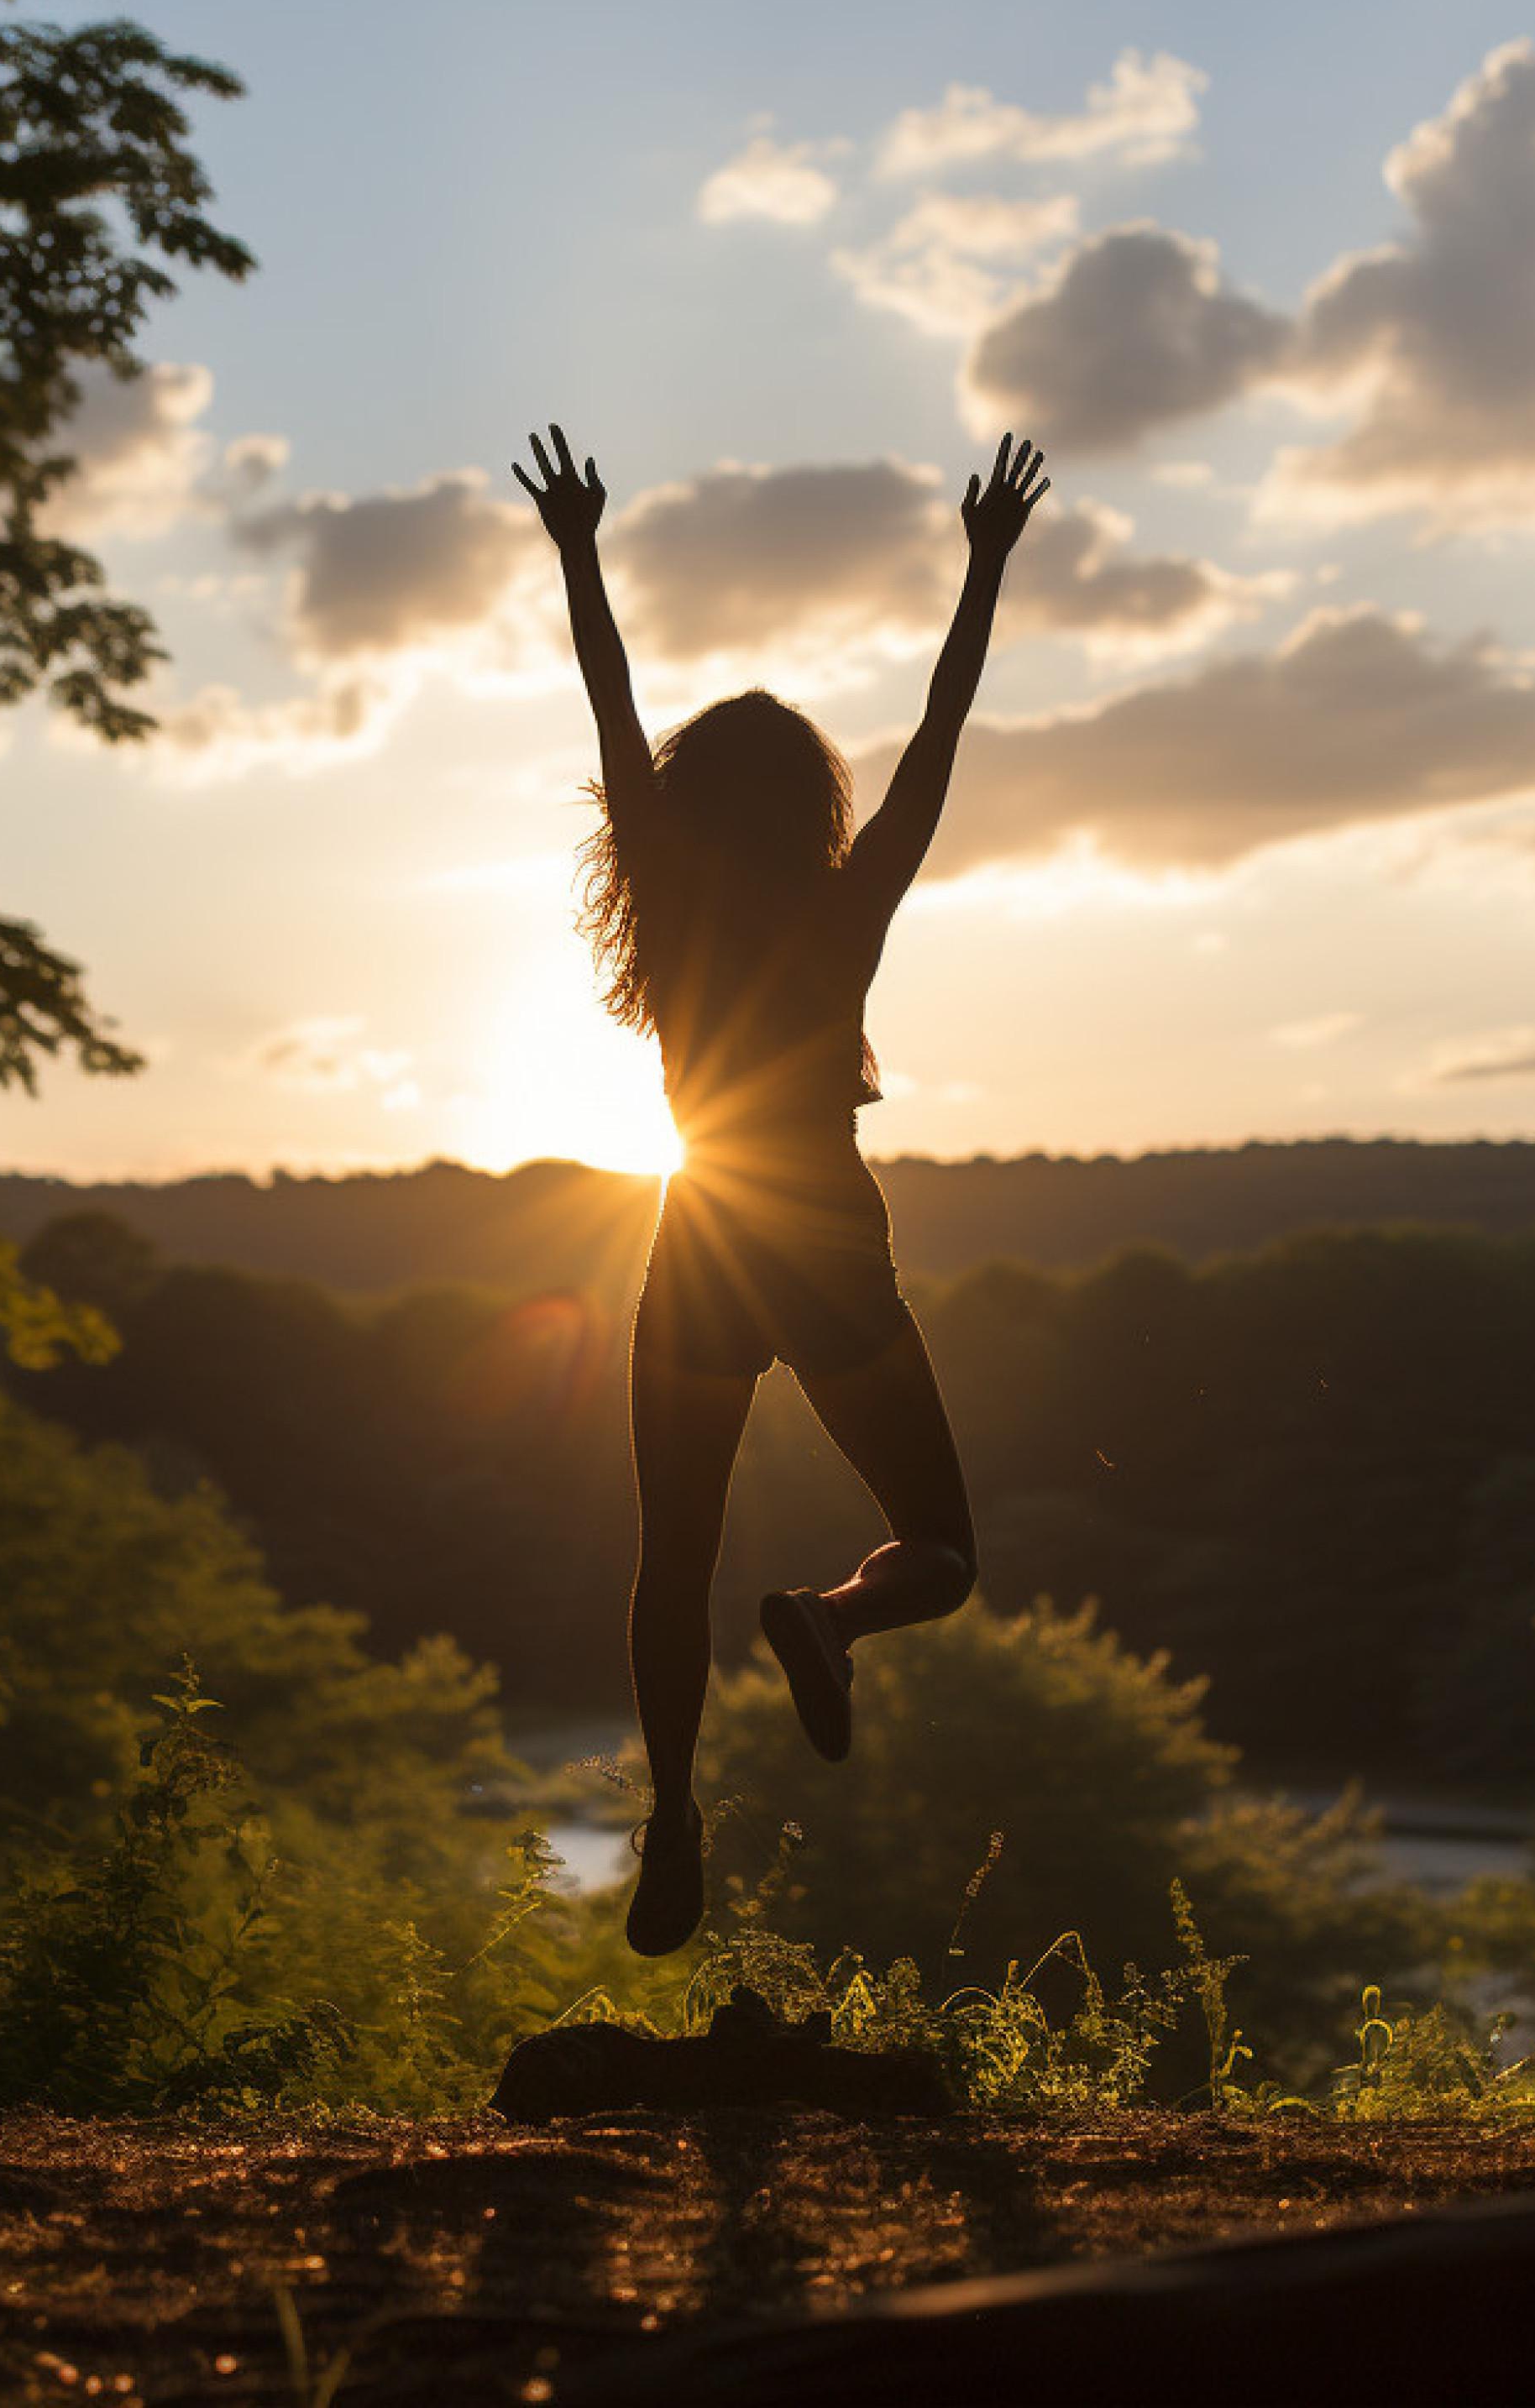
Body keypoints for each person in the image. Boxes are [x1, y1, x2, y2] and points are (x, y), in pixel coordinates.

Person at [513, 423, 1049, 1955]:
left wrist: (579, 552)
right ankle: (832, 1618)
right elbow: (941, 738)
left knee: (669, 1558)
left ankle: (672, 1819)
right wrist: (984, 565)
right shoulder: (848, 909)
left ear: (684, 806)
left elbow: (610, 711)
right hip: (827, 1244)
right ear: (813, 807)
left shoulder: (670, 907)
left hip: (698, 1244)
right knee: (939, 1546)